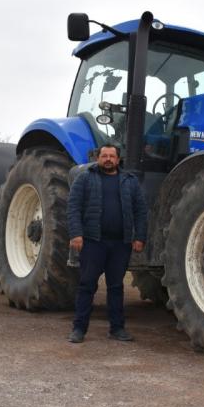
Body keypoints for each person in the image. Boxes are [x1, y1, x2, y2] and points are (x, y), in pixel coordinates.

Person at [66, 143, 148, 343]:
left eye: (112, 156)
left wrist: (140, 237)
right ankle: (78, 329)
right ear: (98, 158)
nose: (108, 159)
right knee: (87, 285)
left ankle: (117, 329)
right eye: (104, 156)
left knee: (116, 286)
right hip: (94, 242)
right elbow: (73, 207)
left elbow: (140, 211)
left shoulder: (130, 181)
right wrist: (76, 233)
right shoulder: (85, 178)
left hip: (121, 244)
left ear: (118, 159)